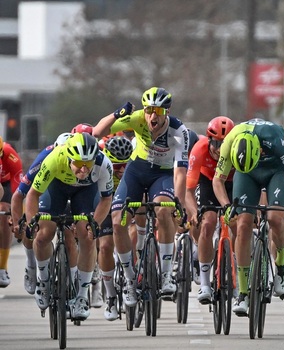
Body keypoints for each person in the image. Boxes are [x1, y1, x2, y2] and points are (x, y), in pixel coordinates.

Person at [92, 87, 189, 305]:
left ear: (167, 111)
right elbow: (97, 132)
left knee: (164, 210)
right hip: (136, 170)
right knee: (118, 221)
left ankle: (165, 276)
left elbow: (180, 172)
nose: (153, 116)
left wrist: (179, 204)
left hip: (162, 174)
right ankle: (129, 281)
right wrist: (117, 114)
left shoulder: (178, 131)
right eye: (149, 110)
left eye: (158, 111)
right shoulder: (136, 119)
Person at [212, 118, 284, 316]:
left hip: (275, 172)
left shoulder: (274, 139)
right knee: (243, 224)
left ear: (260, 150)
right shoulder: (230, 142)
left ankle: (280, 264)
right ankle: (243, 292)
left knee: (274, 218)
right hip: (246, 173)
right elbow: (217, 180)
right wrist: (227, 207)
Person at [25, 132, 114, 320]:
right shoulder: (54, 159)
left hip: (84, 192)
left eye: (88, 165)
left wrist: (94, 224)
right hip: (56, 187)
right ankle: (44, 281)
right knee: (43, 235)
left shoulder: (104, 163)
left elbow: (106, 199)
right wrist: (32, 222)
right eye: (79, 164)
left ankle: (82, 297)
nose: (83, 170)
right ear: (69, 158)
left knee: (88, 235)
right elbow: (32, 195)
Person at [11, 132, 74, 295]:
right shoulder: (45, 159)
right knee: (30, 229)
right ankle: (31, 265)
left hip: (69, 192)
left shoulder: (80, 162)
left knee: (71, 233)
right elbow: (19, 195)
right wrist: (18, 222)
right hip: (45, 190)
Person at [185, 116, 235, 305]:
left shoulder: (237, 150)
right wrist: (194, 212)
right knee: (207, 223)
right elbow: (188, 190)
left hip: (231, 183)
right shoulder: (199, 149)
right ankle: (205, 284)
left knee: (239, 223)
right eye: (215, 143)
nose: (219, 149)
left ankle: (238, 273)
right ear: (208, 139)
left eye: (224, 143)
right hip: (207, 182)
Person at [97, 135, 133, 321]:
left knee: (133, 233)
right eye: (117, 166)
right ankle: (111, 295)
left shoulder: (132, 170)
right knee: (104, 246)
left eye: (125, 166)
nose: (121, 171)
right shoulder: (101, 167)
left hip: (126, 202)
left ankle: (132, 277)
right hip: (106, 202)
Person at [0, 136, 23, 288]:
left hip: (6, 183)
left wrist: (13, 215)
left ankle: (2, 267)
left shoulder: (9, 153)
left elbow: (18, 184)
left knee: (4, 214)